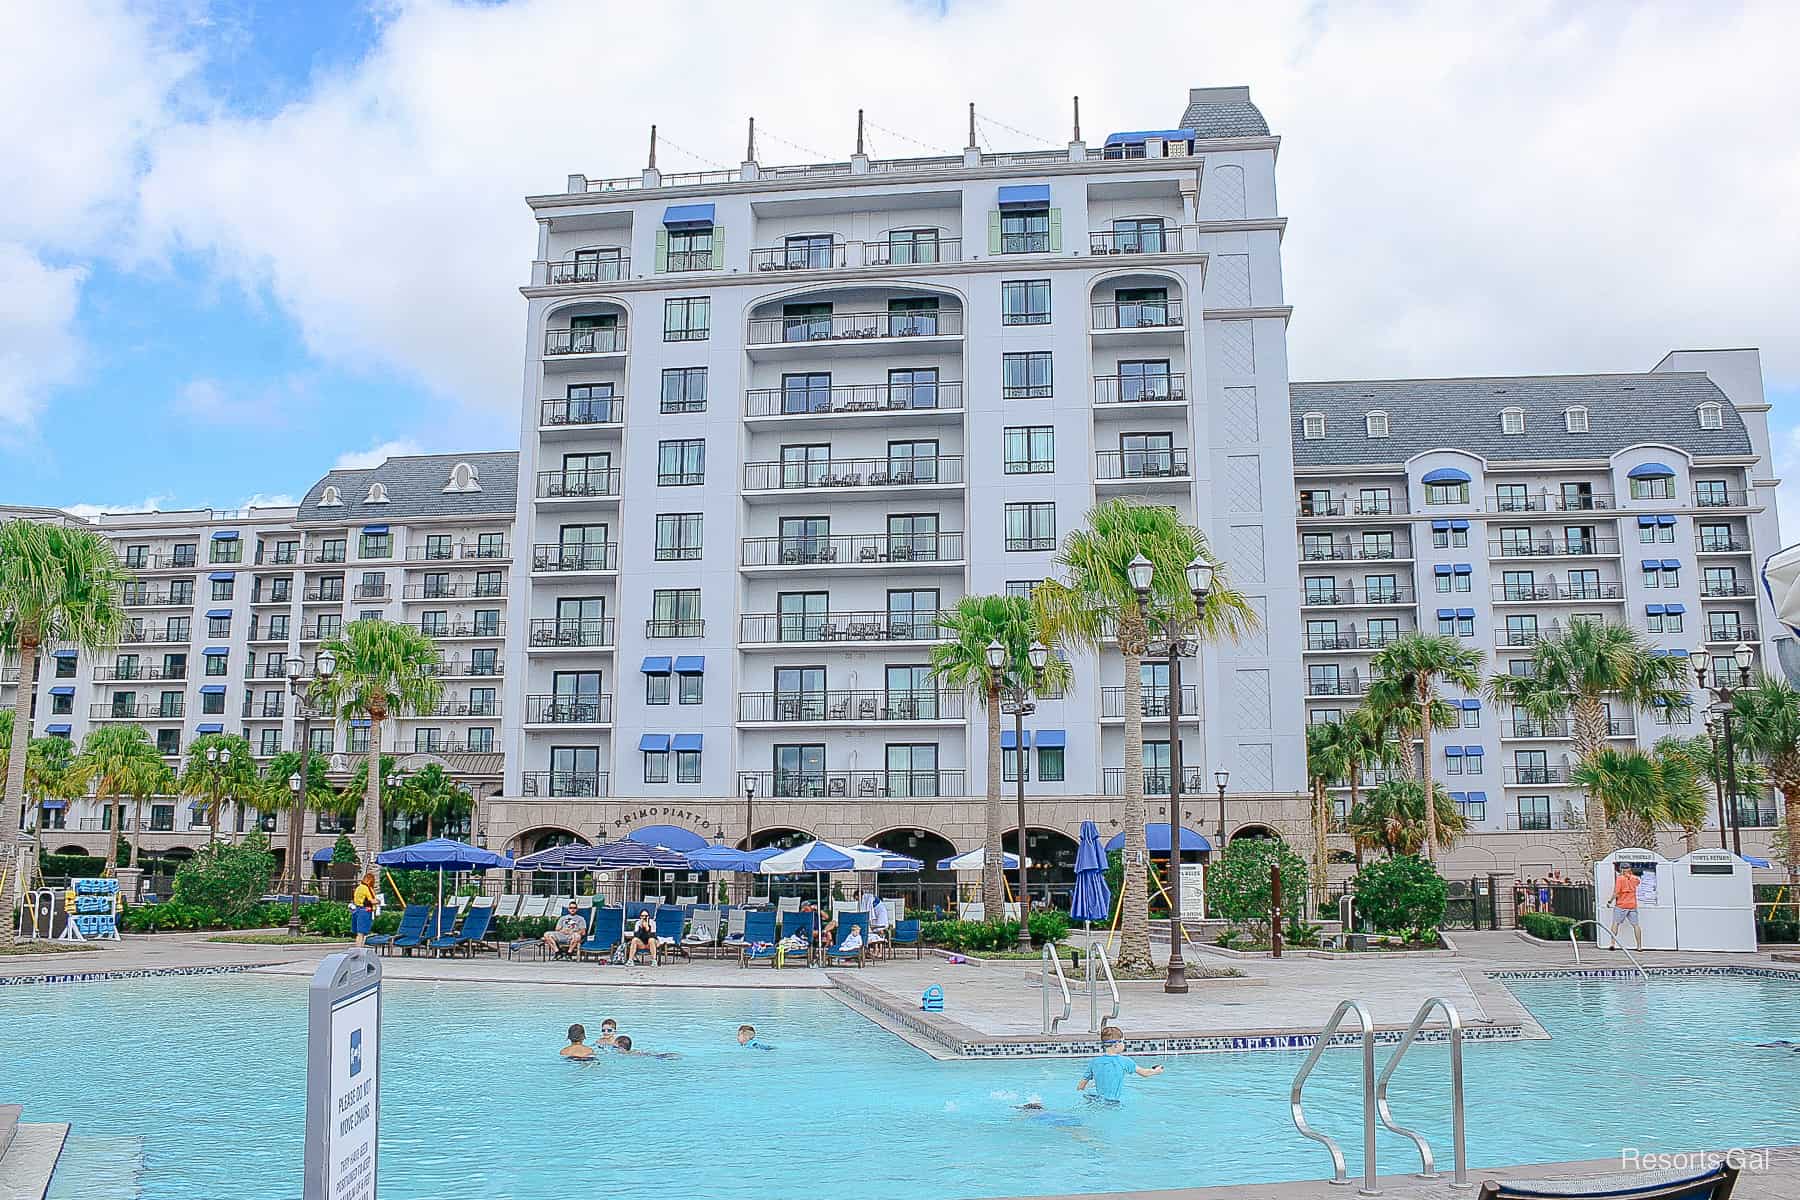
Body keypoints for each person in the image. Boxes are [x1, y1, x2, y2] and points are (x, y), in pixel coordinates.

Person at [1077, 1026, 1162, 1104]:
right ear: (1116, 1044)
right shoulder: (1124, 1061)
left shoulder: (1094, 1062)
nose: (1124, 1044)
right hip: (1113, 1103)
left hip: (1098, 1101)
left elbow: (1081, 1086)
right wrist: (1156, 1071)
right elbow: (1145, 1073)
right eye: (1123, 1041)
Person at [1608, 864, 1643, 951]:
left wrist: (1610, 901)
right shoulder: (1635, 878)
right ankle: (1639, 946)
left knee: (1615, 923)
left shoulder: (1620, 879)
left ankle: (1612, 944)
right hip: (1632, 905)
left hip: (1621, 904)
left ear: (1621, 869)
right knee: (1636, 925)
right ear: (1630, 869)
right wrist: (1630, 875)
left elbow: (1616, 892)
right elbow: (1638, 883)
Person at [350, 872, 378, 948]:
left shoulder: (358, 887)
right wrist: (378, 901)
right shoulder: (366, 888)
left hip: (356, 910)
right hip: (364, 911)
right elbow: (371, 900)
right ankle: (359, 948)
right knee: (362, 933)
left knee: (359, 933)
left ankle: (358, 948)